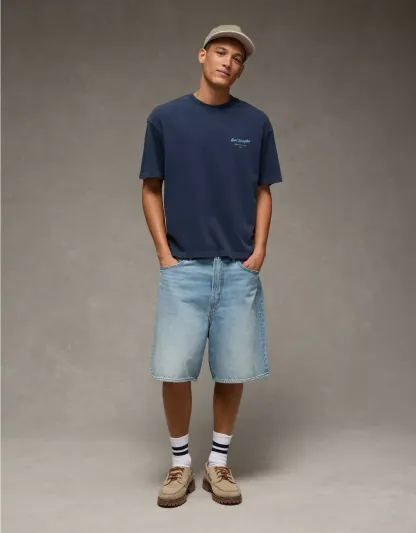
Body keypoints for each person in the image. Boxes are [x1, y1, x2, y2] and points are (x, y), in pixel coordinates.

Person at [139, 24, 283, 507]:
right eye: (221, 52)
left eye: (238, 58)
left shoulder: (256, 123)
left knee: (232, 368)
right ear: (202, 55)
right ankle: (180, 465)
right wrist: (164, 253)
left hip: (238, 269)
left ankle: (218, 462)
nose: (228, 62)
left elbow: (264, 191)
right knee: (175, 370)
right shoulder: (166, 118)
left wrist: (258, 251)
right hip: (184, 268)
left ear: (241, 69)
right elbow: (150, 187)